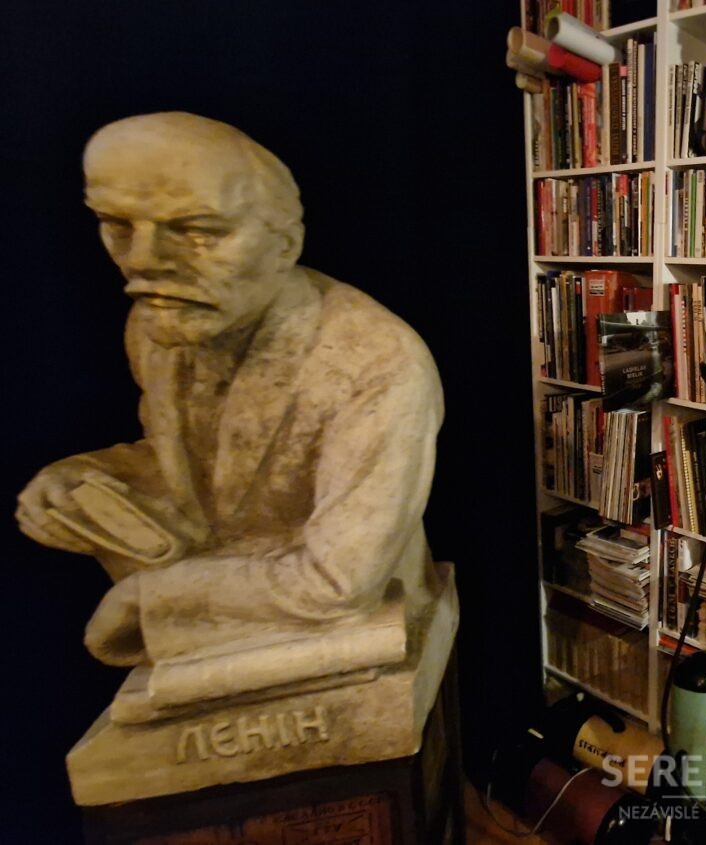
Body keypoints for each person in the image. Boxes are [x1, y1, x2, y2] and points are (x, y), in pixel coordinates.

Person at [15, 112, 444, 677]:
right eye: (117, 225)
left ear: (284, 244)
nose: (143, 260)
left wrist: (154, 600)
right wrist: (87, 477)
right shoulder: (158, 324)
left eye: (197, 231)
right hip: (235, 575)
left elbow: (340, 581)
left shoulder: (376, 362)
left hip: (343, 613)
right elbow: (198, 467)